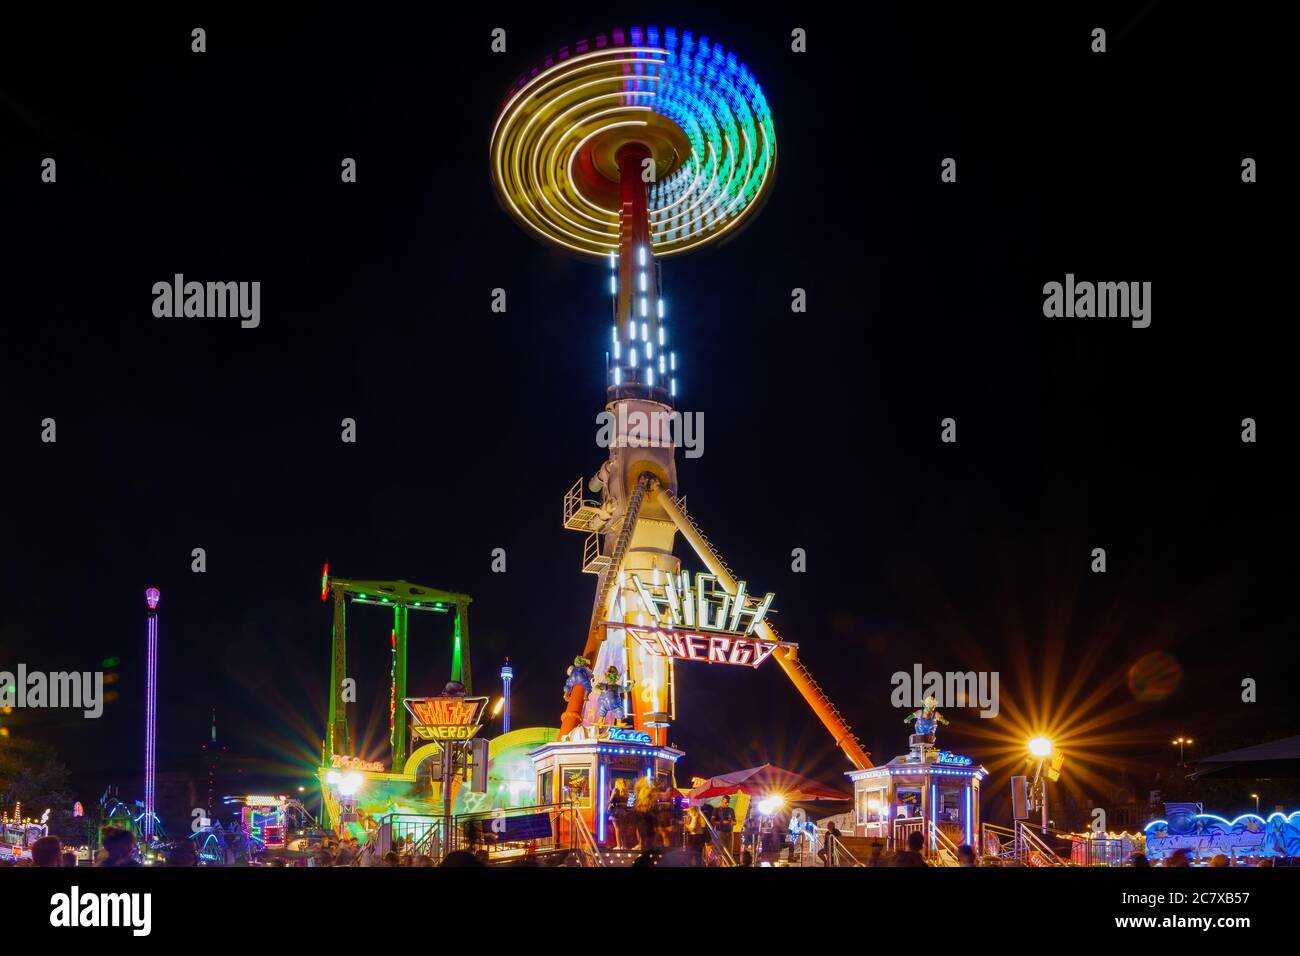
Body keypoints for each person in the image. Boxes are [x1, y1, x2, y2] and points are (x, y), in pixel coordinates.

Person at [608, 779, 631, 849]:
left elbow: (611, 800)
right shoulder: (626, 791)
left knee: (617, 829)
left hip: (616, 811)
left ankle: (618, 845)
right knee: (623, 829)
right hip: (624, 812)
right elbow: (630, 803)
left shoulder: (615, 790)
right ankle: (624, 846)